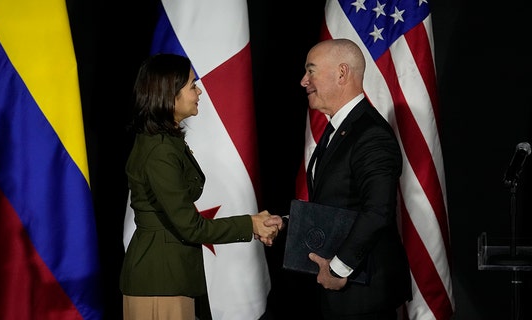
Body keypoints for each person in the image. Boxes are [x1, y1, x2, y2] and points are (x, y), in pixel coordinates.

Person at [120, 53, 279, 320]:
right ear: (170, 94)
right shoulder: (159, 150)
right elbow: (190, 227)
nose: (199, 91)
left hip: (171, 276)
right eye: (192, 85)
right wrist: (250, 224)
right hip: (159, 282)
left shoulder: (165, 141)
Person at [265, 38, 413, 319]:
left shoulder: (370, 134)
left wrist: (338, 269)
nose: (303, 81)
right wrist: (288, 223)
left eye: (311, 71)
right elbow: (338, 204)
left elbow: (378, 211)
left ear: (342, 73)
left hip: (362, 294)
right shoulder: (340, 129)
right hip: (341, 297)